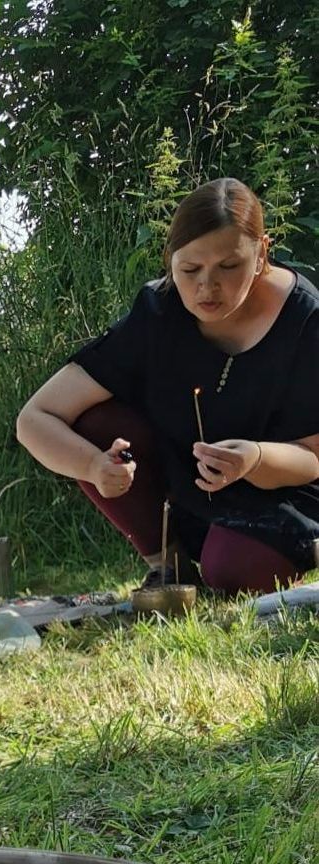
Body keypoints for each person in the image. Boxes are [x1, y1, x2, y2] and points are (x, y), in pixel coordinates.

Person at [16, 178, 319, 595]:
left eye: (229, 267)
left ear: (262, 252)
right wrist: (93, 467)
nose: (206, 288)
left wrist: (255, 458)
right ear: (170, 260)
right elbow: (35, 417)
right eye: (189, 270)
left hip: (283, 494)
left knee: (233, 574)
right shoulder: (158, 312)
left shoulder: (305, 320)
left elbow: (313, 458)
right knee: (94, 421)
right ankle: (169, 565)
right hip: (185, 494)